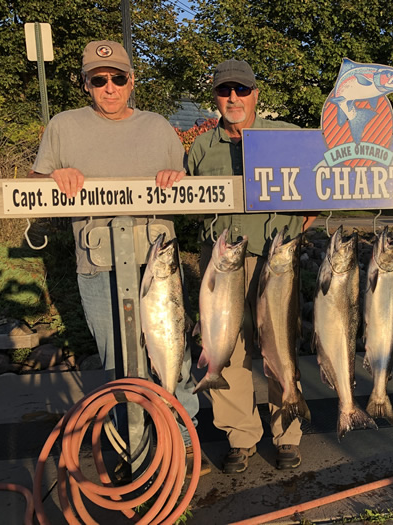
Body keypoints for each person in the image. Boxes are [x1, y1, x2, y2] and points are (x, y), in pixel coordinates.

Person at [30, 40, 208, 475]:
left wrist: (179, 175)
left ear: (132, 82)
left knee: (173, 356)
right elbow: (32, 191)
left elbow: (188, 186)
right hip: (97, 267)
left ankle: (182, 441)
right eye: (99, 79)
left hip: (157, 267)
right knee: (118, 364)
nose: (109, 87)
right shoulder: (63, 126)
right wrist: (54, 176)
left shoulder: (158, 127)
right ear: (87, 84)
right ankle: (135, 447)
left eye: (118, 78)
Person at [187, 59, 315, 473]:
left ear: (256, 94)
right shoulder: (202, 147)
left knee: (280, 344)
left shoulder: (289, 137)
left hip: (276, 260)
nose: (234, 99)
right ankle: (240, 436)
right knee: (227, 350)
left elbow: (322, 187)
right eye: (225, 91)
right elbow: (186, 202)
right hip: (222, 263)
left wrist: (305, 219)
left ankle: (287, 432)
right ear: (215, 97)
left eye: (242, 90)